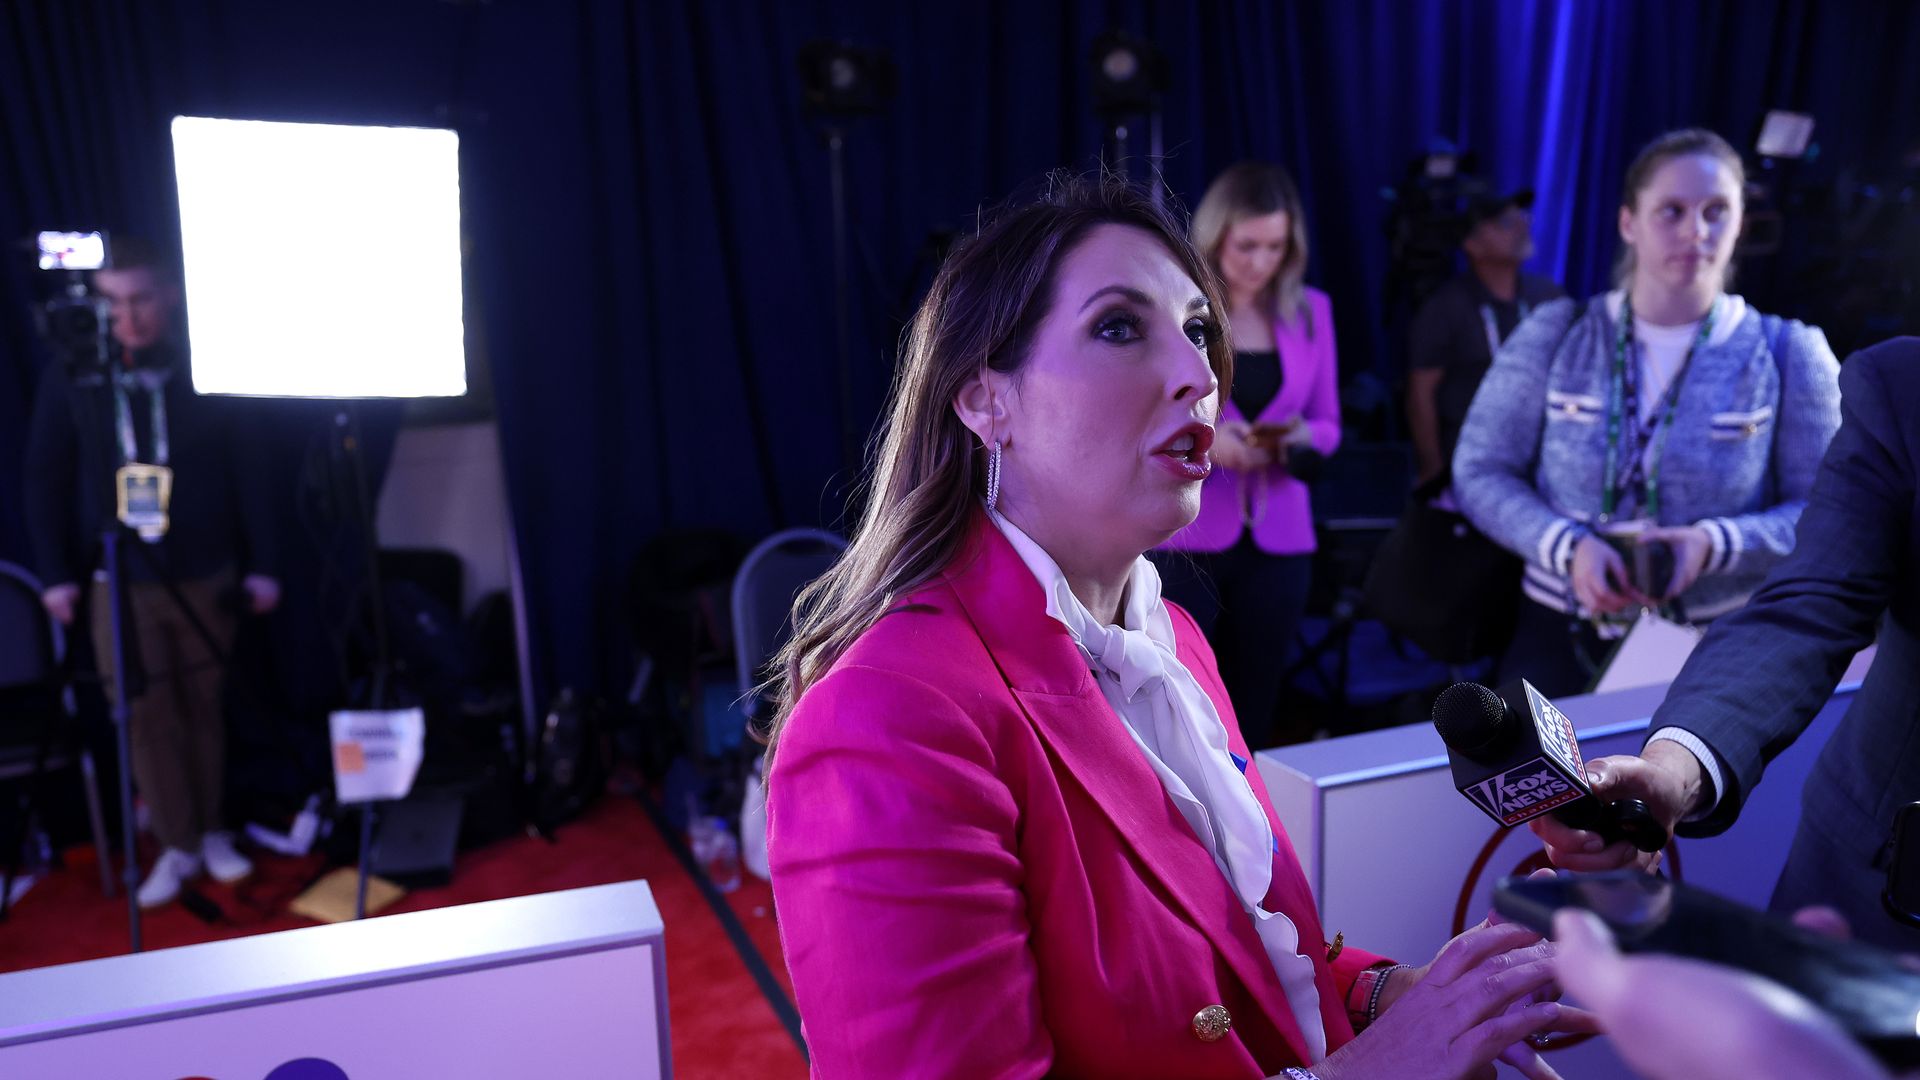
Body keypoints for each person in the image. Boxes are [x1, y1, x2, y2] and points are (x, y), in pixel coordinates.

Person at [763, 177, 1591, 1079]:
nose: (1203, 377)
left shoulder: (1175, 636)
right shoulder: (889, 715)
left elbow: (1245, 963)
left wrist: (1402, 996)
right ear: (983, 401)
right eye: (1120, 327)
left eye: (1199, 328)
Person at [1529, 336, 1920, 951]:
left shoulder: (1791, 349)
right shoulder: (1906, 385)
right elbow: (1808, 604)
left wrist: (1714, 542)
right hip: (1874, 889)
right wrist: (1672, 772)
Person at [1452, 128, 1843, 697]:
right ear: (1628, 222)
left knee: (1687, 790)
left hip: (1719, 642)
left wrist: (1714, 543)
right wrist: (1568, 545)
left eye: (1717, 211)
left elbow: (1827, 511)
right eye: (1672, 211)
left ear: (1741, 224)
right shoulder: (1558, 333)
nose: (1695, 231)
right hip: (1558, 628)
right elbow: (1479, 470)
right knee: (1542, 786)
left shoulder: (1788, 351)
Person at [22, 237, 280, 908]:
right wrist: (55, 575)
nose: (127, 318)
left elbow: (255, 471)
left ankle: (213, 828)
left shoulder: (207, 366)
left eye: (139, 299)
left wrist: (267, 567)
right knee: (143, 714)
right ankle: (177, 841)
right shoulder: (73, 375)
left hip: (206, 569)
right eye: (112, 304)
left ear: (167, 296)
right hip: (116, 576)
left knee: (203, 705)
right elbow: (44, 476)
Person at [1155, 162, 1340, 748]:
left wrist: (1300, 439)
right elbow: (1146, 406)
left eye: (1276, 247)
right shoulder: (1178, 307)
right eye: (1248, 246)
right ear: (1216, 237)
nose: (1261, 262)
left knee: (1257, 702)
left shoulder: (1312, 310)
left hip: (1282, 540)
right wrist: (1215, 437)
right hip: (1189, 537)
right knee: (1180, 705)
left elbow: (1330, 423)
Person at [1406, 190, 1566, 485]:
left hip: (1541, 461)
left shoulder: (1548, 299)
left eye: (1523, 217)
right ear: (1472, 244)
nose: (1521, 227)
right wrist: (1432, 468)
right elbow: (1421, 393)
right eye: (1505, 223)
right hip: (1471, 464)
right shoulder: (1446, 307)